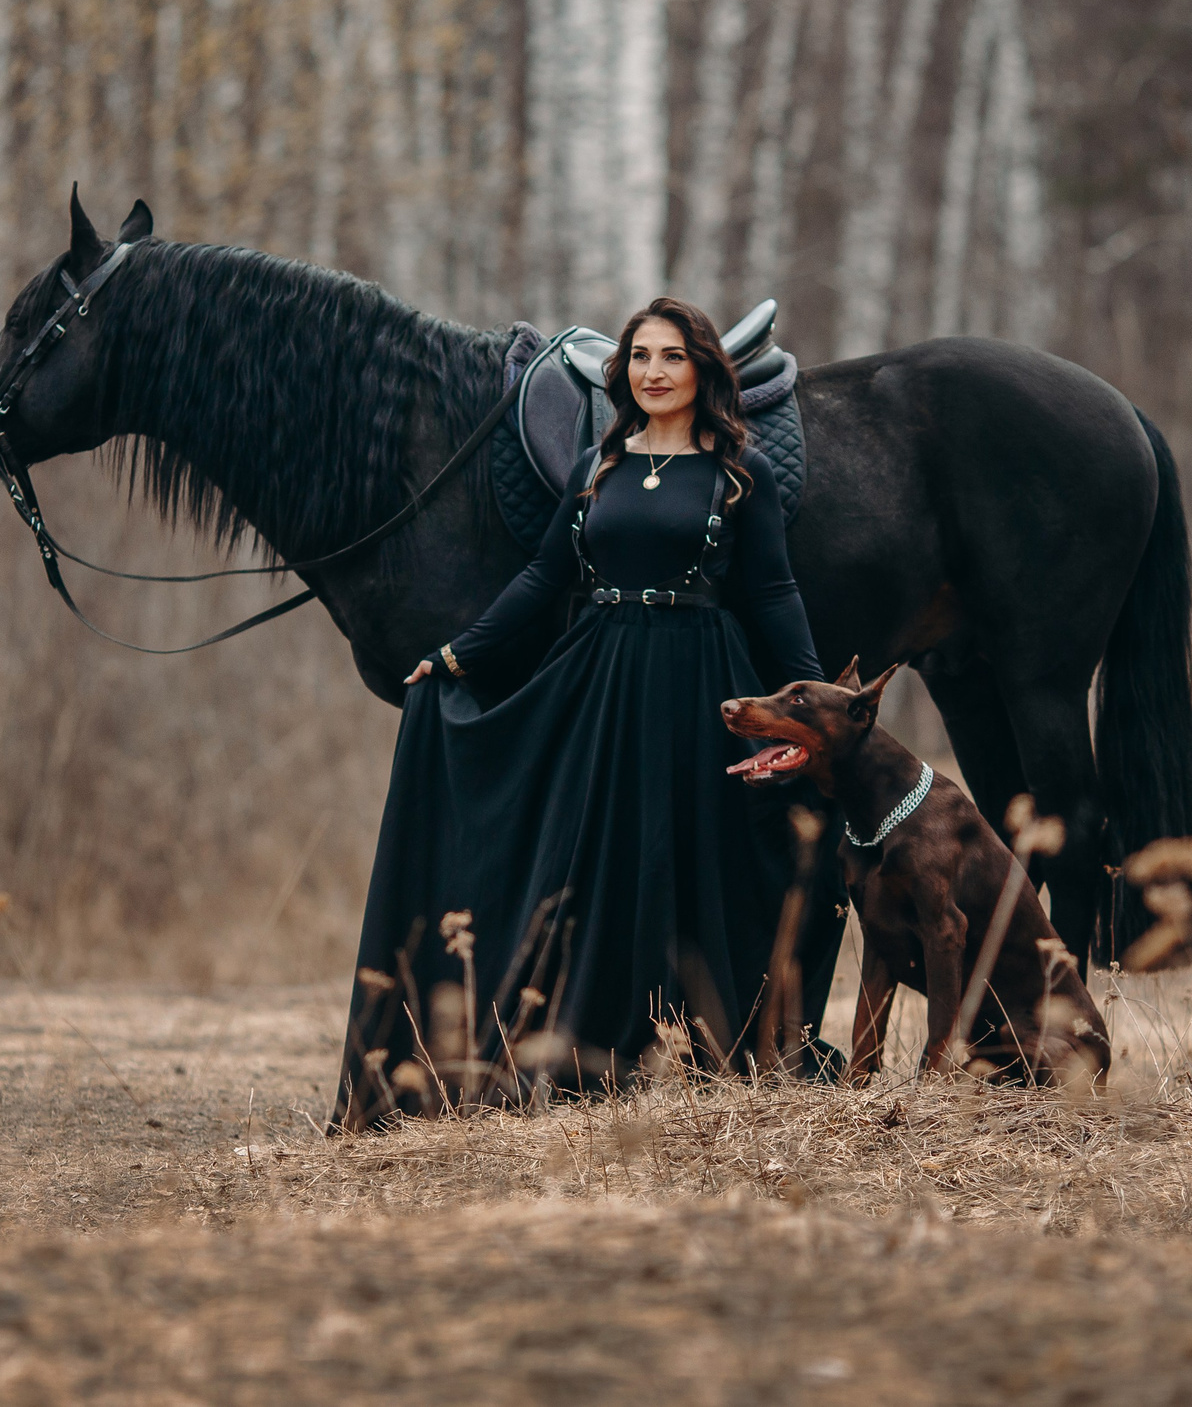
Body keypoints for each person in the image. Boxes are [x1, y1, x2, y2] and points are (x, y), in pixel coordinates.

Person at [332, 297, 830, 1128]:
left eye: (672, 357)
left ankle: (722, 1048)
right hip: (601, 676)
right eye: (640, 357)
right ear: (622, 370)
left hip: (703, 676)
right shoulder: (602, 464)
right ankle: (585, 1052)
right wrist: (460, 652)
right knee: (594, 856)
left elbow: (774, 593)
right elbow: (541, 578)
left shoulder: (742, 472)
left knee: (707, 855)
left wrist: (816, 705)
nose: (654, 372)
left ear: (702, 369)